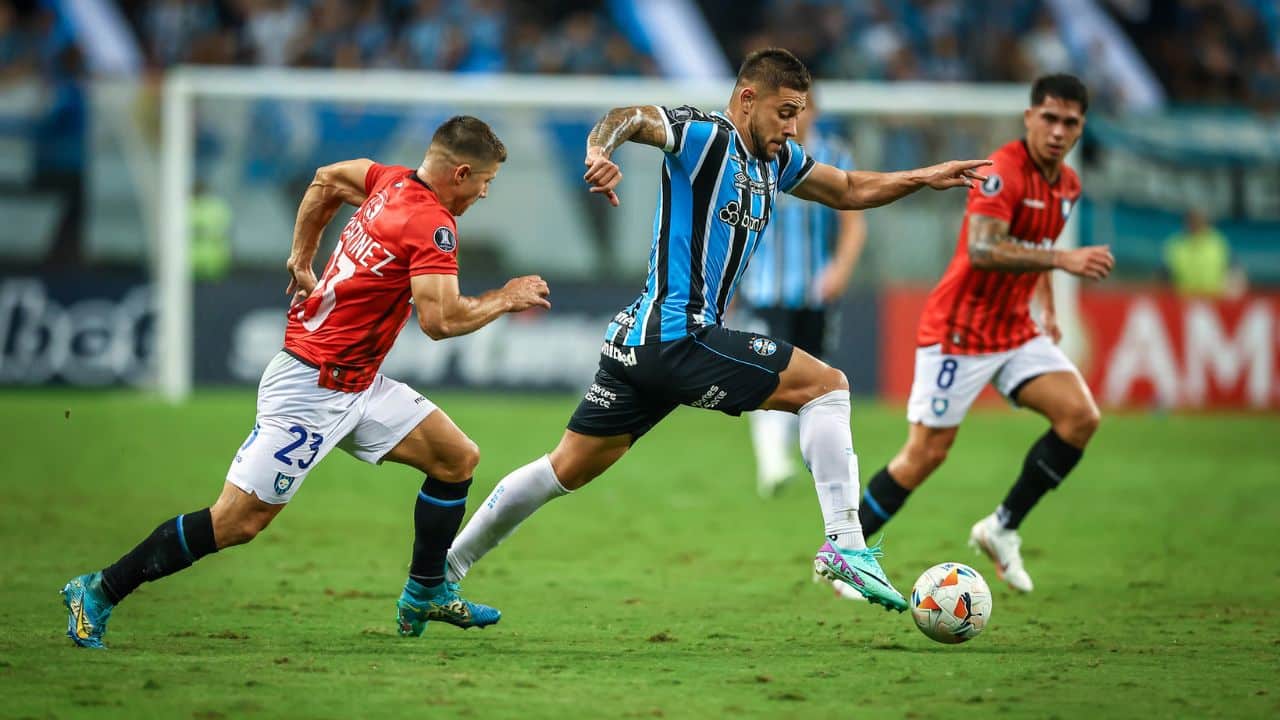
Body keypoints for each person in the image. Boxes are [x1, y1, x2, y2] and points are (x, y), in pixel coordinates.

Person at [442, 48, 991, 614]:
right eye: (784, 112)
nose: (793, 127)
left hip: (641, 343)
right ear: (748, 99)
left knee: (564, 468)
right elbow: (629, 116)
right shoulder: (705, 136)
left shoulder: (777, 161)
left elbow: (848, 188)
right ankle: (847, 545)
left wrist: (924, 176)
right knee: (827, 387)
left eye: (798, 114)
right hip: (678, 335)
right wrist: (598, 150)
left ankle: (441, 573)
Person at [60, 116, 552, 648]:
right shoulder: (431, 224)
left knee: (456, 459)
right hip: (310, 389)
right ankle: (99, 589)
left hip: (358, 383)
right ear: (460, 173)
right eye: (486, 181)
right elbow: (440, 321)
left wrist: (300, 257)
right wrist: (506, 297)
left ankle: (426, 590)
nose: (484, 193)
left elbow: (326, 179)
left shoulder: (389, 181)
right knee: (237, 522)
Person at [856, 74, 1115, 593]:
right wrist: (1062, 260)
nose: (1058, 131)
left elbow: (1033, 241)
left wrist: (1046, 301)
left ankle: (1001, 527)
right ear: (1029, 118)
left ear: (1081, 127)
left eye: (1070, 122)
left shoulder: (1067, 183)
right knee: (926, 454)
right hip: (959, 330)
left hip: (1014, 329)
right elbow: (983, 248)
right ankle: (844, 550)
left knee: (1079, 418)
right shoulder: (1002, 172)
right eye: (1049, 118)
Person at [736, 88, 867, 497]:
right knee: (768, 372)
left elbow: (853, 222)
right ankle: (773, 462)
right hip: (766, 287)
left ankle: (797, 458)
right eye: (789, 109)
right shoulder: (757, 154)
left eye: (803, 110)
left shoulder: (835, 155)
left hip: (815, 289)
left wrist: (841, 268)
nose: (796, 118)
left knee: (814, 379)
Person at [1162, 209, 1237, 298]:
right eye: (1191, 220)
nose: (1195, 224)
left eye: (1198, 220)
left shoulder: (1218, 242)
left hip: (1214, 297)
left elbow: (1232, 270)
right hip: (1184, 298)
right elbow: (1166, 274)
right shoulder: (1174, 244)